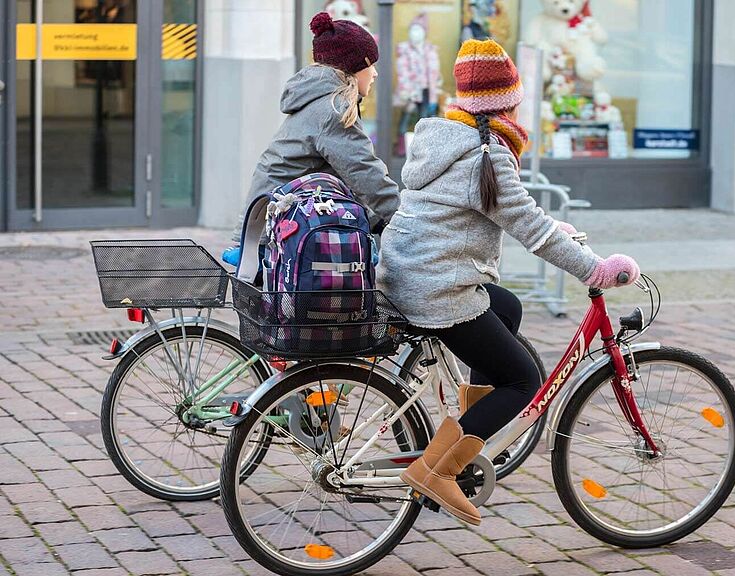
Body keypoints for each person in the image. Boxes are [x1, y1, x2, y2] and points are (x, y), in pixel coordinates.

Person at [377, 39, 640, 525]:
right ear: (508, 102)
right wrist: (595, 269)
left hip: (405, 274)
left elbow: (512, 215)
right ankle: (439, 470)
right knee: (523, 380)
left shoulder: (441, 138)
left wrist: (554, 229)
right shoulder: (487, 154)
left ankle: (479, 437)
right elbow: (531, 231)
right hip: (438, 289)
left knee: (509, 309)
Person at [228, 11, 399, 249]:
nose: (375, 74)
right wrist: (401, 218)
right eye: (371, 65)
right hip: (274, 237)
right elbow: (364, 172)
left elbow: (340, 177)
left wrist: (373, 218)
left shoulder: (318, 99)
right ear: (354, 68)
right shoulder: (333, 109)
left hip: (266, 227)